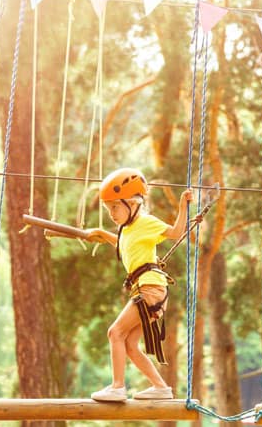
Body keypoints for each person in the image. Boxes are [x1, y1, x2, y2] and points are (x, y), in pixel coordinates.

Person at [84, 168, 193, 402]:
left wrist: (184, 205)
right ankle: (161, 387)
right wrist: (102, 234)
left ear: (132, 203)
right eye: (108, 208)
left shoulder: (146, 222)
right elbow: (124, 244)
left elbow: (176, 232)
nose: (111, 213)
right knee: (131, 344)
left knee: (115, 333)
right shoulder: (128, 230)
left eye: (115, 207)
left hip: (151, 289)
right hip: (147, 290)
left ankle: (117, 386)